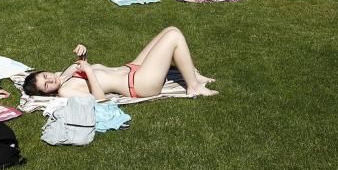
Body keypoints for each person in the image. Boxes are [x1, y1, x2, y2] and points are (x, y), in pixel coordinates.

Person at [22, 27, 217, 99]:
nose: (50, 80)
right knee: (174, 37)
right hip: (138, 83)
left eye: (45, 76)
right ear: (46, 93)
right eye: (46, 86)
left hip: (131, 68)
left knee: (169, 30)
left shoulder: (64, 74)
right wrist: (88, 71)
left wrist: (83, 54)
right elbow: (99, 99)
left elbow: (85, 66)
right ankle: (193, 87)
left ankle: (194, 74)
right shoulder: (65, 91)